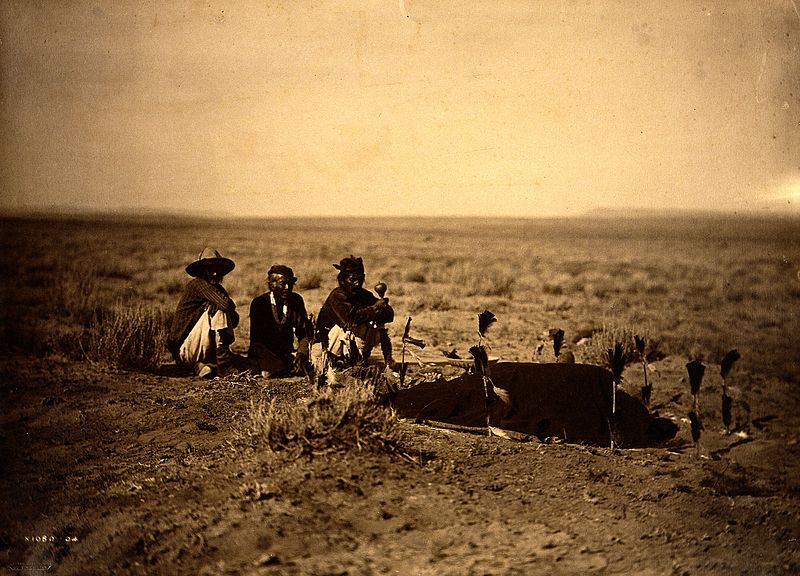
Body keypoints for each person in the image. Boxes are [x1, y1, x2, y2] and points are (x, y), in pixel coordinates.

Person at [167, 247, 241, 378]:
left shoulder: (218, 289)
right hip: (184, 347)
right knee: (219, 310)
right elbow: (225, 305)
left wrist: (222, 304)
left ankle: (204, 366)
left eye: (218, 270)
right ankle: (223, 366)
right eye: (210, 270)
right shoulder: (197, 284)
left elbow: (234, 320)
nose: (214, 274)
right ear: (202, 270)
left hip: (199, 348)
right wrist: (222, 305)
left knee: (218, 309)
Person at [315, 255, 394, 368]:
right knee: (347, 328)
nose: (357, 283)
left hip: (354, 346)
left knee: (377, 325)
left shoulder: (364, 295)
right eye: (352, 280)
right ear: (342, 279)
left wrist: (384, 307)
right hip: (329, 347)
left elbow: (389, 316)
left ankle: (385, 360)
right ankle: (337, 362)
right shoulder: (337, 296)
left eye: (360, 279)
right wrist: (375, 308)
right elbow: (350, 319)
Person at [248, 264, 313, 378]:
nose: (287, 287)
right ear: (272, 285)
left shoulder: (295, 300)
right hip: (264, 352)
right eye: (283, 284)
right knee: (269, 372)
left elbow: (303, 332)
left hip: (286, 352)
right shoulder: (259, 303)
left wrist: (302, 353)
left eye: (290, 284)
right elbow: (257, 340)